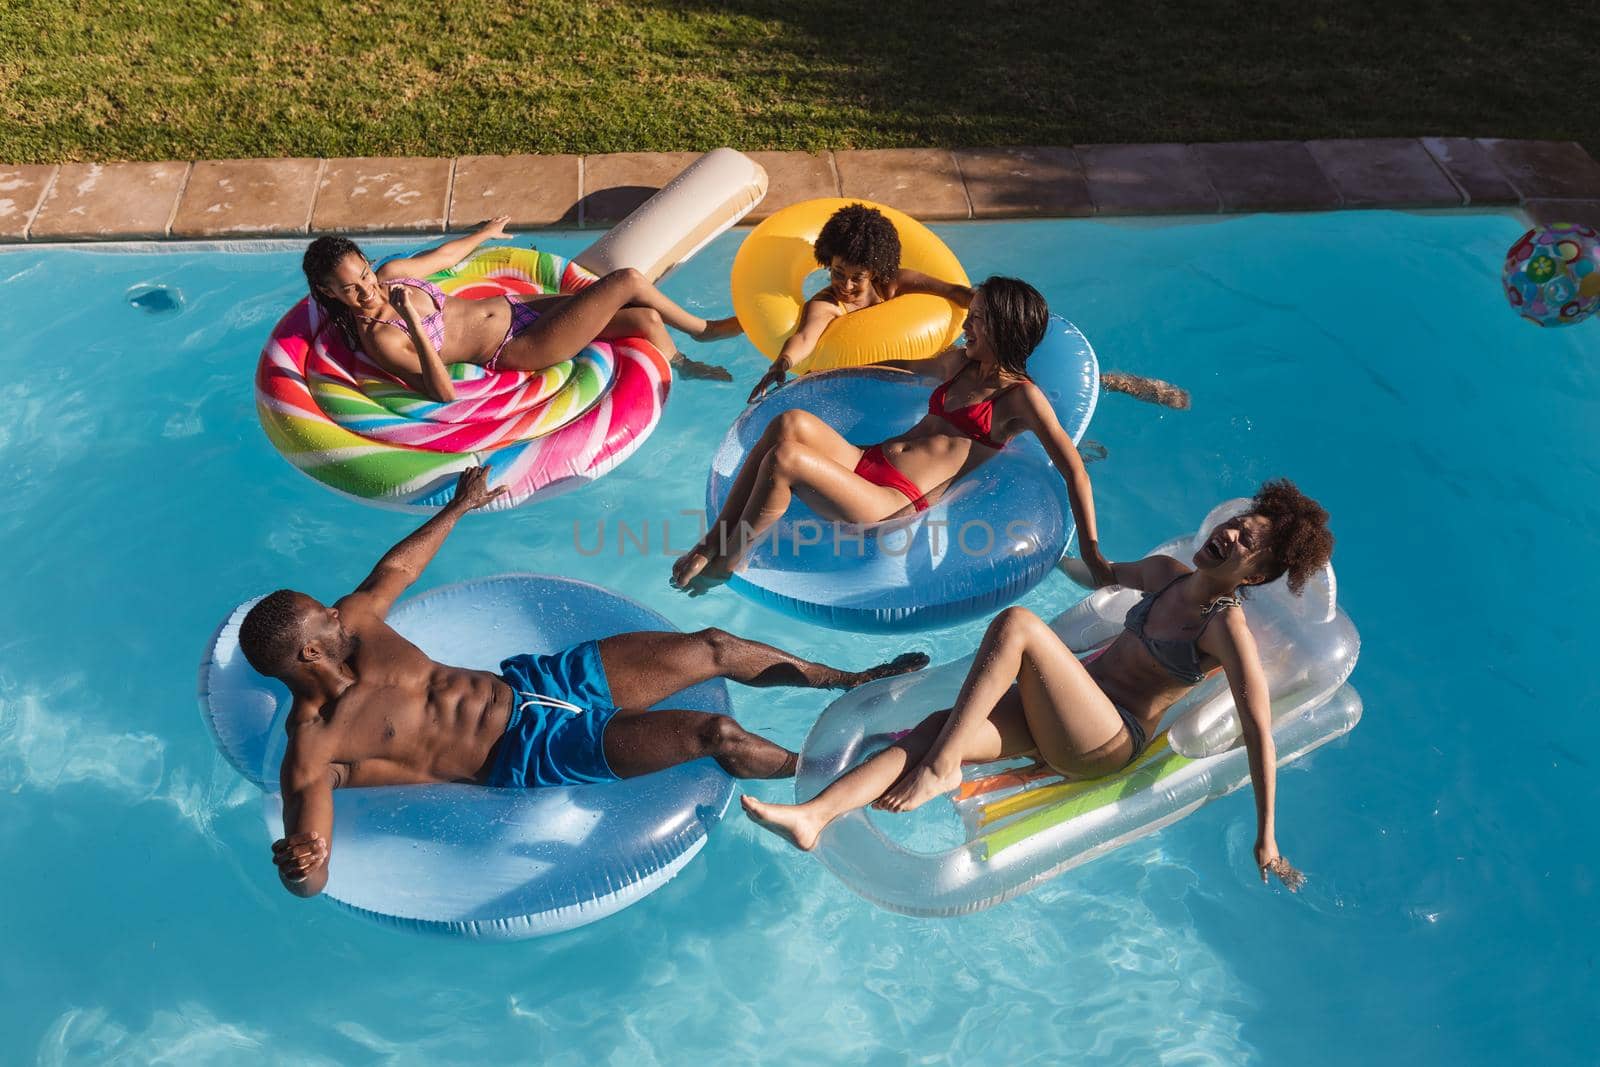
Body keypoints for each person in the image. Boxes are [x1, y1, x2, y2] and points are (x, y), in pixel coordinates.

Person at [245, 466, 927, 898]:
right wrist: (303, 868)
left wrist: (459, 505)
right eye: (323, 616)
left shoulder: (357, 621)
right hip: (530, 752)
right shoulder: (313, 747)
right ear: (309, 651)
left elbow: (395, 571)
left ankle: (849, 678)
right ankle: (844, 772)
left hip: (539, 681)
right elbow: (316, 863)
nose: (337, 607)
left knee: (713, 646)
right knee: (713, 733)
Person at [743, 479, 1334, 891]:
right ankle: (815, 816)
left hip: (1105, 741)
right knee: (931, 727)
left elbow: (1259, 730)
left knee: (1020, 628)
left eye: (1246, 541)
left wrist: (1268, 837)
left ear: (1255, 574)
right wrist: (1035, 544)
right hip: (1057, 711)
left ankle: (944, 767)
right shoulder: (1163, 575)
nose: (1230, 534)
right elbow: (1093, 571)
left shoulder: (1225, 628)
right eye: (1236, 523)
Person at [672, 276, 1110, 594]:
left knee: (786, 458)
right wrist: (811, 373)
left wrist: (1091, 552)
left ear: (1003, 329)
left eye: (976, 321)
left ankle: (728, 563)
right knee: (789, 423)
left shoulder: (1021, 399)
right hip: (867, 461)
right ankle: (711, 540)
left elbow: (1075, 472)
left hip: (892, 502)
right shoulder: (959, 363)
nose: (965, 327)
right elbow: (899, 369)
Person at [301, 221, 739, 402]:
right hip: (518, 345)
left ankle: (685, 365)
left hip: (516, 307)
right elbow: (441, 392)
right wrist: (414, 324)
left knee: (645, 319)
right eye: (350, 289)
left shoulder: (394, 273)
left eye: (364, 273)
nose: (366, 289)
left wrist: (484, 233)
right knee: (626, 280)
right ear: (328, 292)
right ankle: (704, 330)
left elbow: (444, 255)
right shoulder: (380, 337)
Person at [745, 203, 973, 403]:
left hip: (914, 373)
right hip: (858, 387)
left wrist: (990, 307)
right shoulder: (827, 304)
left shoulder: (893, 284)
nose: (846, 285)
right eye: (838, 273)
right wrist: (781, 364)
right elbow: (804, 337)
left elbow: (952, 291)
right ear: (828, 264)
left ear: (874, 272)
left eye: (858, 277)